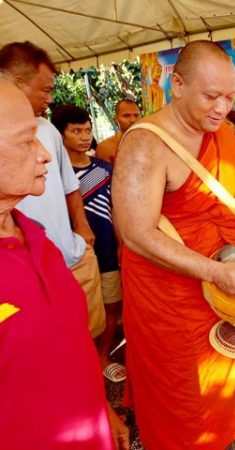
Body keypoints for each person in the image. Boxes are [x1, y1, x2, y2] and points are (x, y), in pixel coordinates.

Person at [112, 40, 235, 449]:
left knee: (221, 395)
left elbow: (228, 198)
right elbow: (136, 232)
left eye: (229, 97)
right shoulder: (146, 143)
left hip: (223, 288)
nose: (222, 108)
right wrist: (213, 270)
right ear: (177, 84)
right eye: (211, 96)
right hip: (172, 300)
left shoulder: (224, 136)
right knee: (182, 402)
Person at [0, 71, 129, 450]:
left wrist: (101, 407)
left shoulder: (35, 235)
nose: (44, 154)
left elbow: (70, 343)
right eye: (26, 142)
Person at [0, 40, 105, 338]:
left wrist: (82, 232)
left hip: (68, 253)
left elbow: (69, 186)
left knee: (86, 330)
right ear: (16, 83)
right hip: (25, 269)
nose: (41, 155)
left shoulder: (47, 131)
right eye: (45, 89)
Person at [51, 104, 126, 383]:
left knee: (112, 305)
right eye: (75, 131)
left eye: (87, 130)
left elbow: (115, 208)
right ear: (60, 135)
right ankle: (81, 359)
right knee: (79, 311)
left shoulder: (104, 168)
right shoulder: (53, 174)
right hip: (76, 256)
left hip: (107, 251)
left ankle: (103, 356)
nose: (84, 136)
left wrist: (120, 243)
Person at [96, 99, 141, 166]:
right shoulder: (106, 147)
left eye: (136, 115)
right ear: (116, 118)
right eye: (126, 116)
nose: (133, 120)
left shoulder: (151, 142)